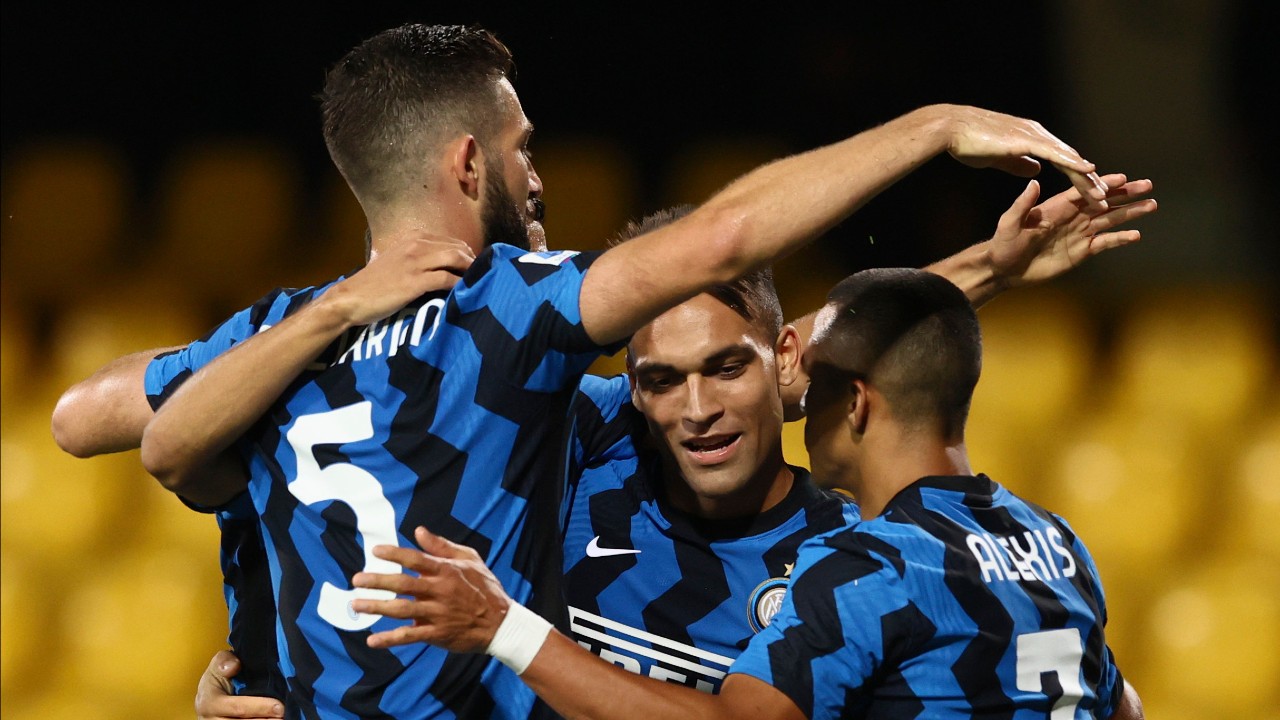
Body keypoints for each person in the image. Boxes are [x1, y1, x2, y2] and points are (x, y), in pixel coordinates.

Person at [59, 18, 1119, 718]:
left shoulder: (290, 338)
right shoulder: (529, 355)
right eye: (522, 147)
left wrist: (985, 265)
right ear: (468, 163)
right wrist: (933, 128)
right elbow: (724, 255)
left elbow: (94, 416)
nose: (537, 172)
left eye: (725, 372)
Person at [344, 268, 1144, 718]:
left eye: (731, 370)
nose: (696, 410)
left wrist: (505, 628)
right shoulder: (1055, 544)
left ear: (795, 371)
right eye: (663, 382)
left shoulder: (853, 566)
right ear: (635, 392)